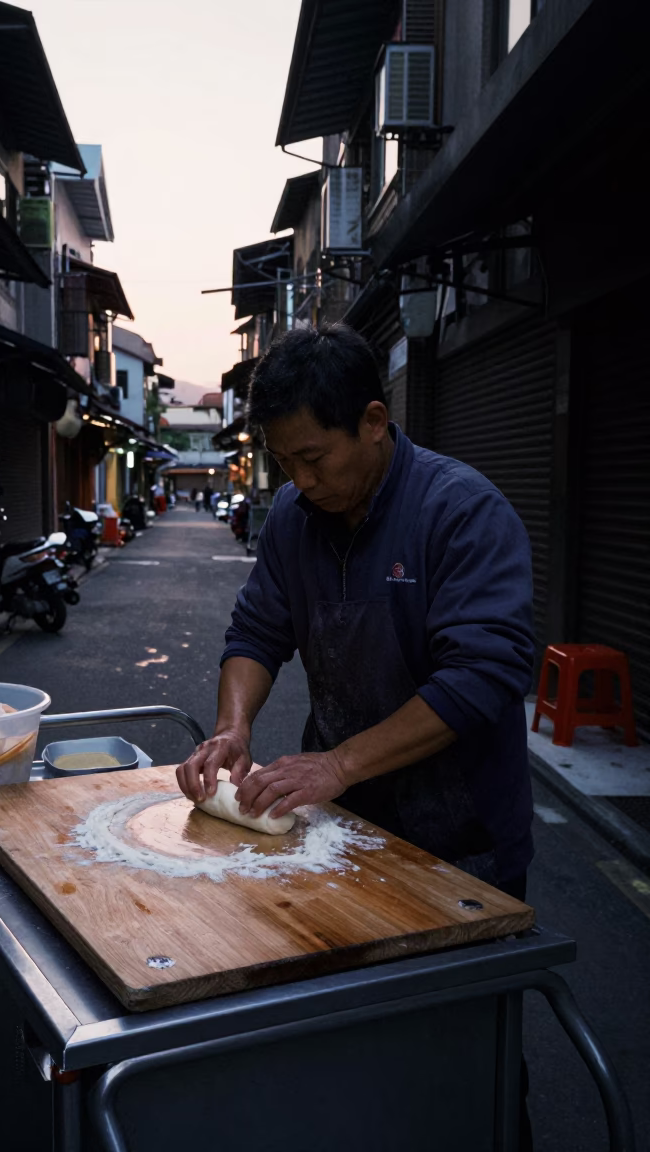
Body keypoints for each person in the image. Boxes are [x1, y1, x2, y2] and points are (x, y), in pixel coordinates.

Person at [177, 323, 536, 1146]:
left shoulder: (461, 513)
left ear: (375, 421)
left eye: (315, 460)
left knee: (466, 1064)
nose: (300, 483)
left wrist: (337, 761)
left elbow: (480, 679)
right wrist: (234, 730)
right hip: (337, 835)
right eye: (284, 465)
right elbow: (256, 631)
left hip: (462, 843)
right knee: (354, 1054)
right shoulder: (295, 523)